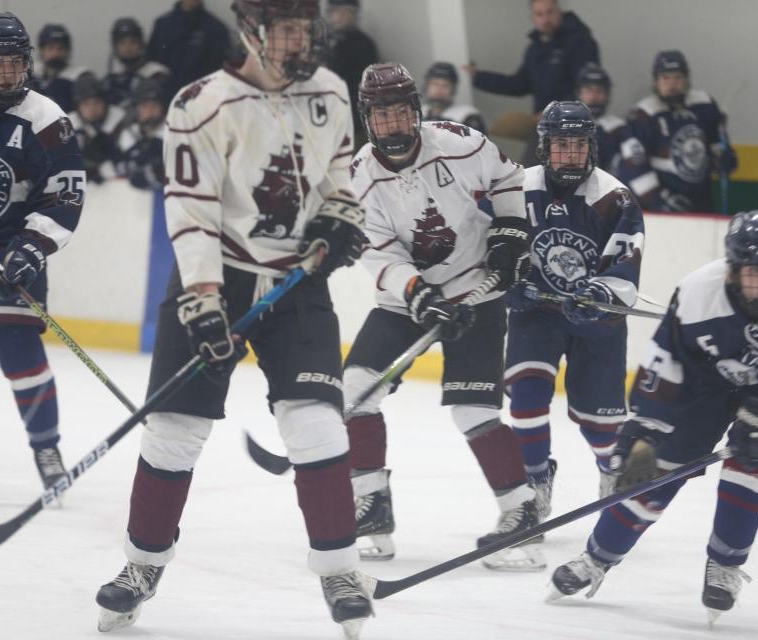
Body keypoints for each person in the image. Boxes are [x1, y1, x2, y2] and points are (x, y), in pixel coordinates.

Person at [93, 1, 373, 636]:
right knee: (173, 430)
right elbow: (190, 210)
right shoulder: (201, 103)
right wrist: (203, 297)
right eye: (286, 25)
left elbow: (339, 174)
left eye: (306, 24)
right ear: (253, 30)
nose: (299, 37)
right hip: (219, 274)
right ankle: (141, 566)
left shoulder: (330, 90)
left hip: (297, 282)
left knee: (317, 427)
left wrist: (338, 218)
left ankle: (339, 569)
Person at [547, 208, 758, 624]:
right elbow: (666, 360)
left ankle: (726, 565)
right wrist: (645, 428)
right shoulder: (698, 291)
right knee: (656, 469)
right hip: (704, 389)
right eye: (755, 270)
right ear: (734, 270)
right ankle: (597, 557)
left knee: (753, 461)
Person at [346, 62, 540, 571]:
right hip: (408, 297)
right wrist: (417, 294)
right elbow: (379, 253)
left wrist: (512, 233)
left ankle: (521, 514)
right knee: (355, 389)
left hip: (476, 287)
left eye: (400, 112)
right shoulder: (358, 177)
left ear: (416, 111)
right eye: (381, 115)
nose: (392, 124)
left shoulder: (458, 141)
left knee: (473, 411)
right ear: (368, 119)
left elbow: (508, 179)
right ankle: (373, 508)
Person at [0, 13, 85, 489]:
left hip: (14, 248)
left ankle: (46, 445)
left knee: (18, 349)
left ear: (26, 63)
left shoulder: (47, 119)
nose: (4, 75)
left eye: (13, 64)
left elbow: (65, 194)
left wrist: (31, 248)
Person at [503, 100, 643, 522]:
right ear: (545, 147)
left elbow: (624, 267)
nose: (569, 154)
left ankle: (609, 471)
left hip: (596, 323)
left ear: (591, 148)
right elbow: (497, 243)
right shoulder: (518, 187)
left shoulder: (614, 198)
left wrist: (596, 295)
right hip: (537, 314)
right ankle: (535, 483)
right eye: (561, 145)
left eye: (577, 145)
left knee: (600, 427)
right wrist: (510, 283)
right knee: (525, 399)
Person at [464, 0, 599, 166]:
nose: (546, 19)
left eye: (550, 12)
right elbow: (519, 84)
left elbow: (587, 87)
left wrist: (553, 111)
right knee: (529, 178)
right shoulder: (535, 49)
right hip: (544, 128)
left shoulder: (580, 43)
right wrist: (477, 77)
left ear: (560, 13)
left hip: (574, 127)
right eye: (539, 14)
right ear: (533, 18)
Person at [621, 50, 738, 212]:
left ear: (686, 79)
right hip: (662, 205)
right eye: (665, 78)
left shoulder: (704, 105)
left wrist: (724, 159)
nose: (672, 85)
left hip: (702, 200)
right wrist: (660, 201)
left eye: (677, 78)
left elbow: (716, 145)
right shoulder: (643, 115)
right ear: (656, 82)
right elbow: (633, 166)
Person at [147, 0, 230, 102]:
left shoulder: (216, 29)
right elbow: (152, 64)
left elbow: (220, 72)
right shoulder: (162, 25)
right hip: (165, 100)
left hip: (203, 99)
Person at [326, 0, 378, 147]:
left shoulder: (364, 44)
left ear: (353, 15)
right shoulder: (322, 42)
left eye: (343, 12)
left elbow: (368, 84)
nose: (338, 17)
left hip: (354, 118)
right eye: (334, 12)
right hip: (326, 115)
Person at [69, 73, 126, 184]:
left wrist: (98, 171)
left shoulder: (120, 118)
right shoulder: (67, 124)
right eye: (86, 104)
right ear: (77, 106)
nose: (92, 109)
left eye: (97, 103)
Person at [102, 17, 171, 109]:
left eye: (133, 42)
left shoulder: (157, 74)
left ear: (141, 44)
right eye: (122, 43)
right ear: (115, 47)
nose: (128, 47)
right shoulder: (109, 81)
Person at [117, 78, 167, 191]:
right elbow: (120, 167)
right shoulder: (128, 135)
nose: (150, 111)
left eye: (154, 105)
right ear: (136, 109)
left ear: (162, 107)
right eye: (144, 106)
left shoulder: (173, 130)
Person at [575, 62, 626, 174]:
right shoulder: (564, 126)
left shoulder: (619, 128)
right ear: (579, 93)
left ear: (607, 95)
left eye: (599, 91)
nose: (594, 96)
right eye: (588, 90)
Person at [31, 23, 90, 114]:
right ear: (42, 50)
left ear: (67, 51)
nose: (55, 53)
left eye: (60, 48)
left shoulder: (80, 76)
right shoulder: (30, 73)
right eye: (50, 48)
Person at [421, 61, 486, 133]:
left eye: (445, 85)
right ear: (426, 86)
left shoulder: (468, 116)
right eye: (435, 84)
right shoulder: (418, 113)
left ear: (453, 89)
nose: (439, 89)